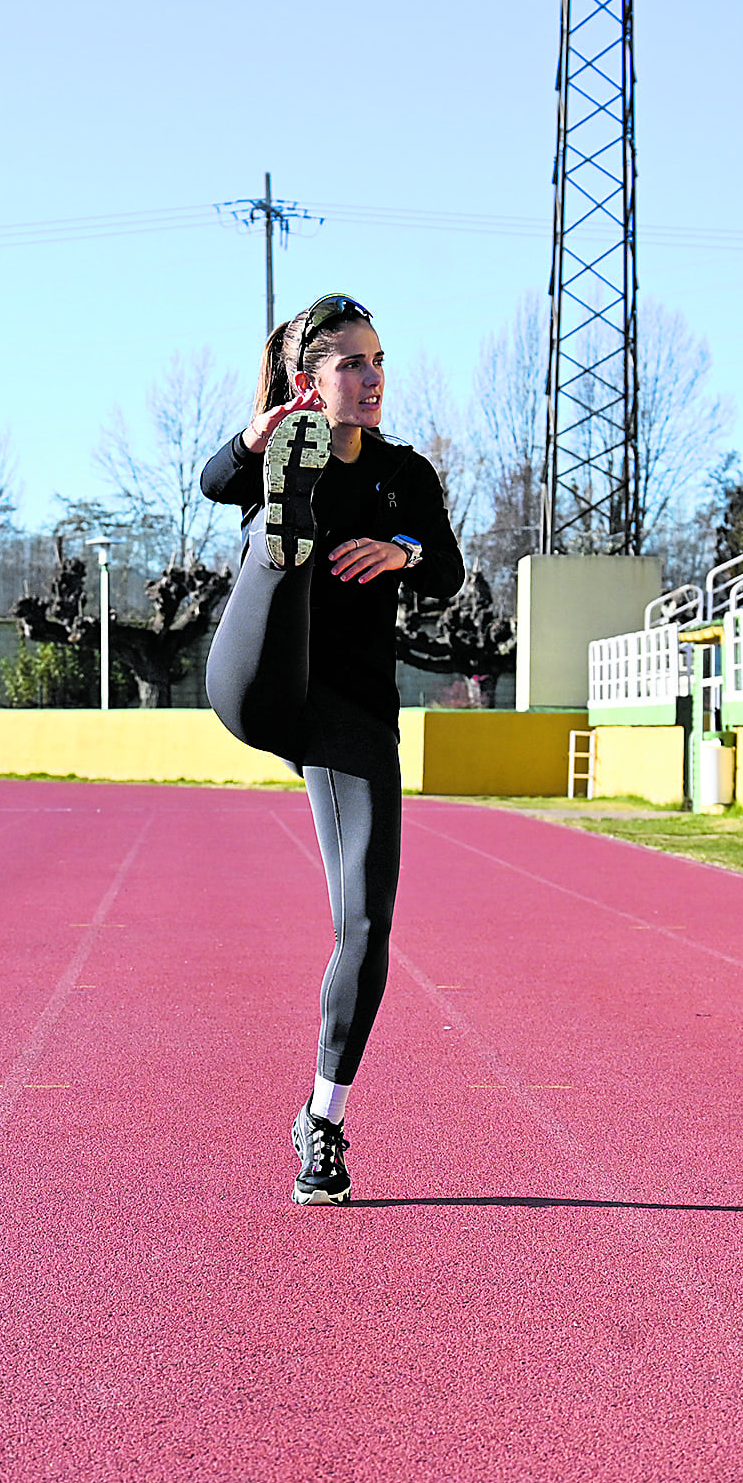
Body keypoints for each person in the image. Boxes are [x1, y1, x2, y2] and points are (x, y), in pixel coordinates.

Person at [200, 293, 464, 1204]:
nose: (372, 377)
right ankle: (285, 539)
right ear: (310, 379)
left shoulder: (408, 474)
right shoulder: (274, 447)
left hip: (350, 712)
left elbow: (449, 569)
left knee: (366, 923)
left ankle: (324, 1121)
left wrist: (401, 553)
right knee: (276, 545)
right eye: (350, 363)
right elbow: (208, 481)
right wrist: (253, 443)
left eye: (378, 360)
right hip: (267, 684)